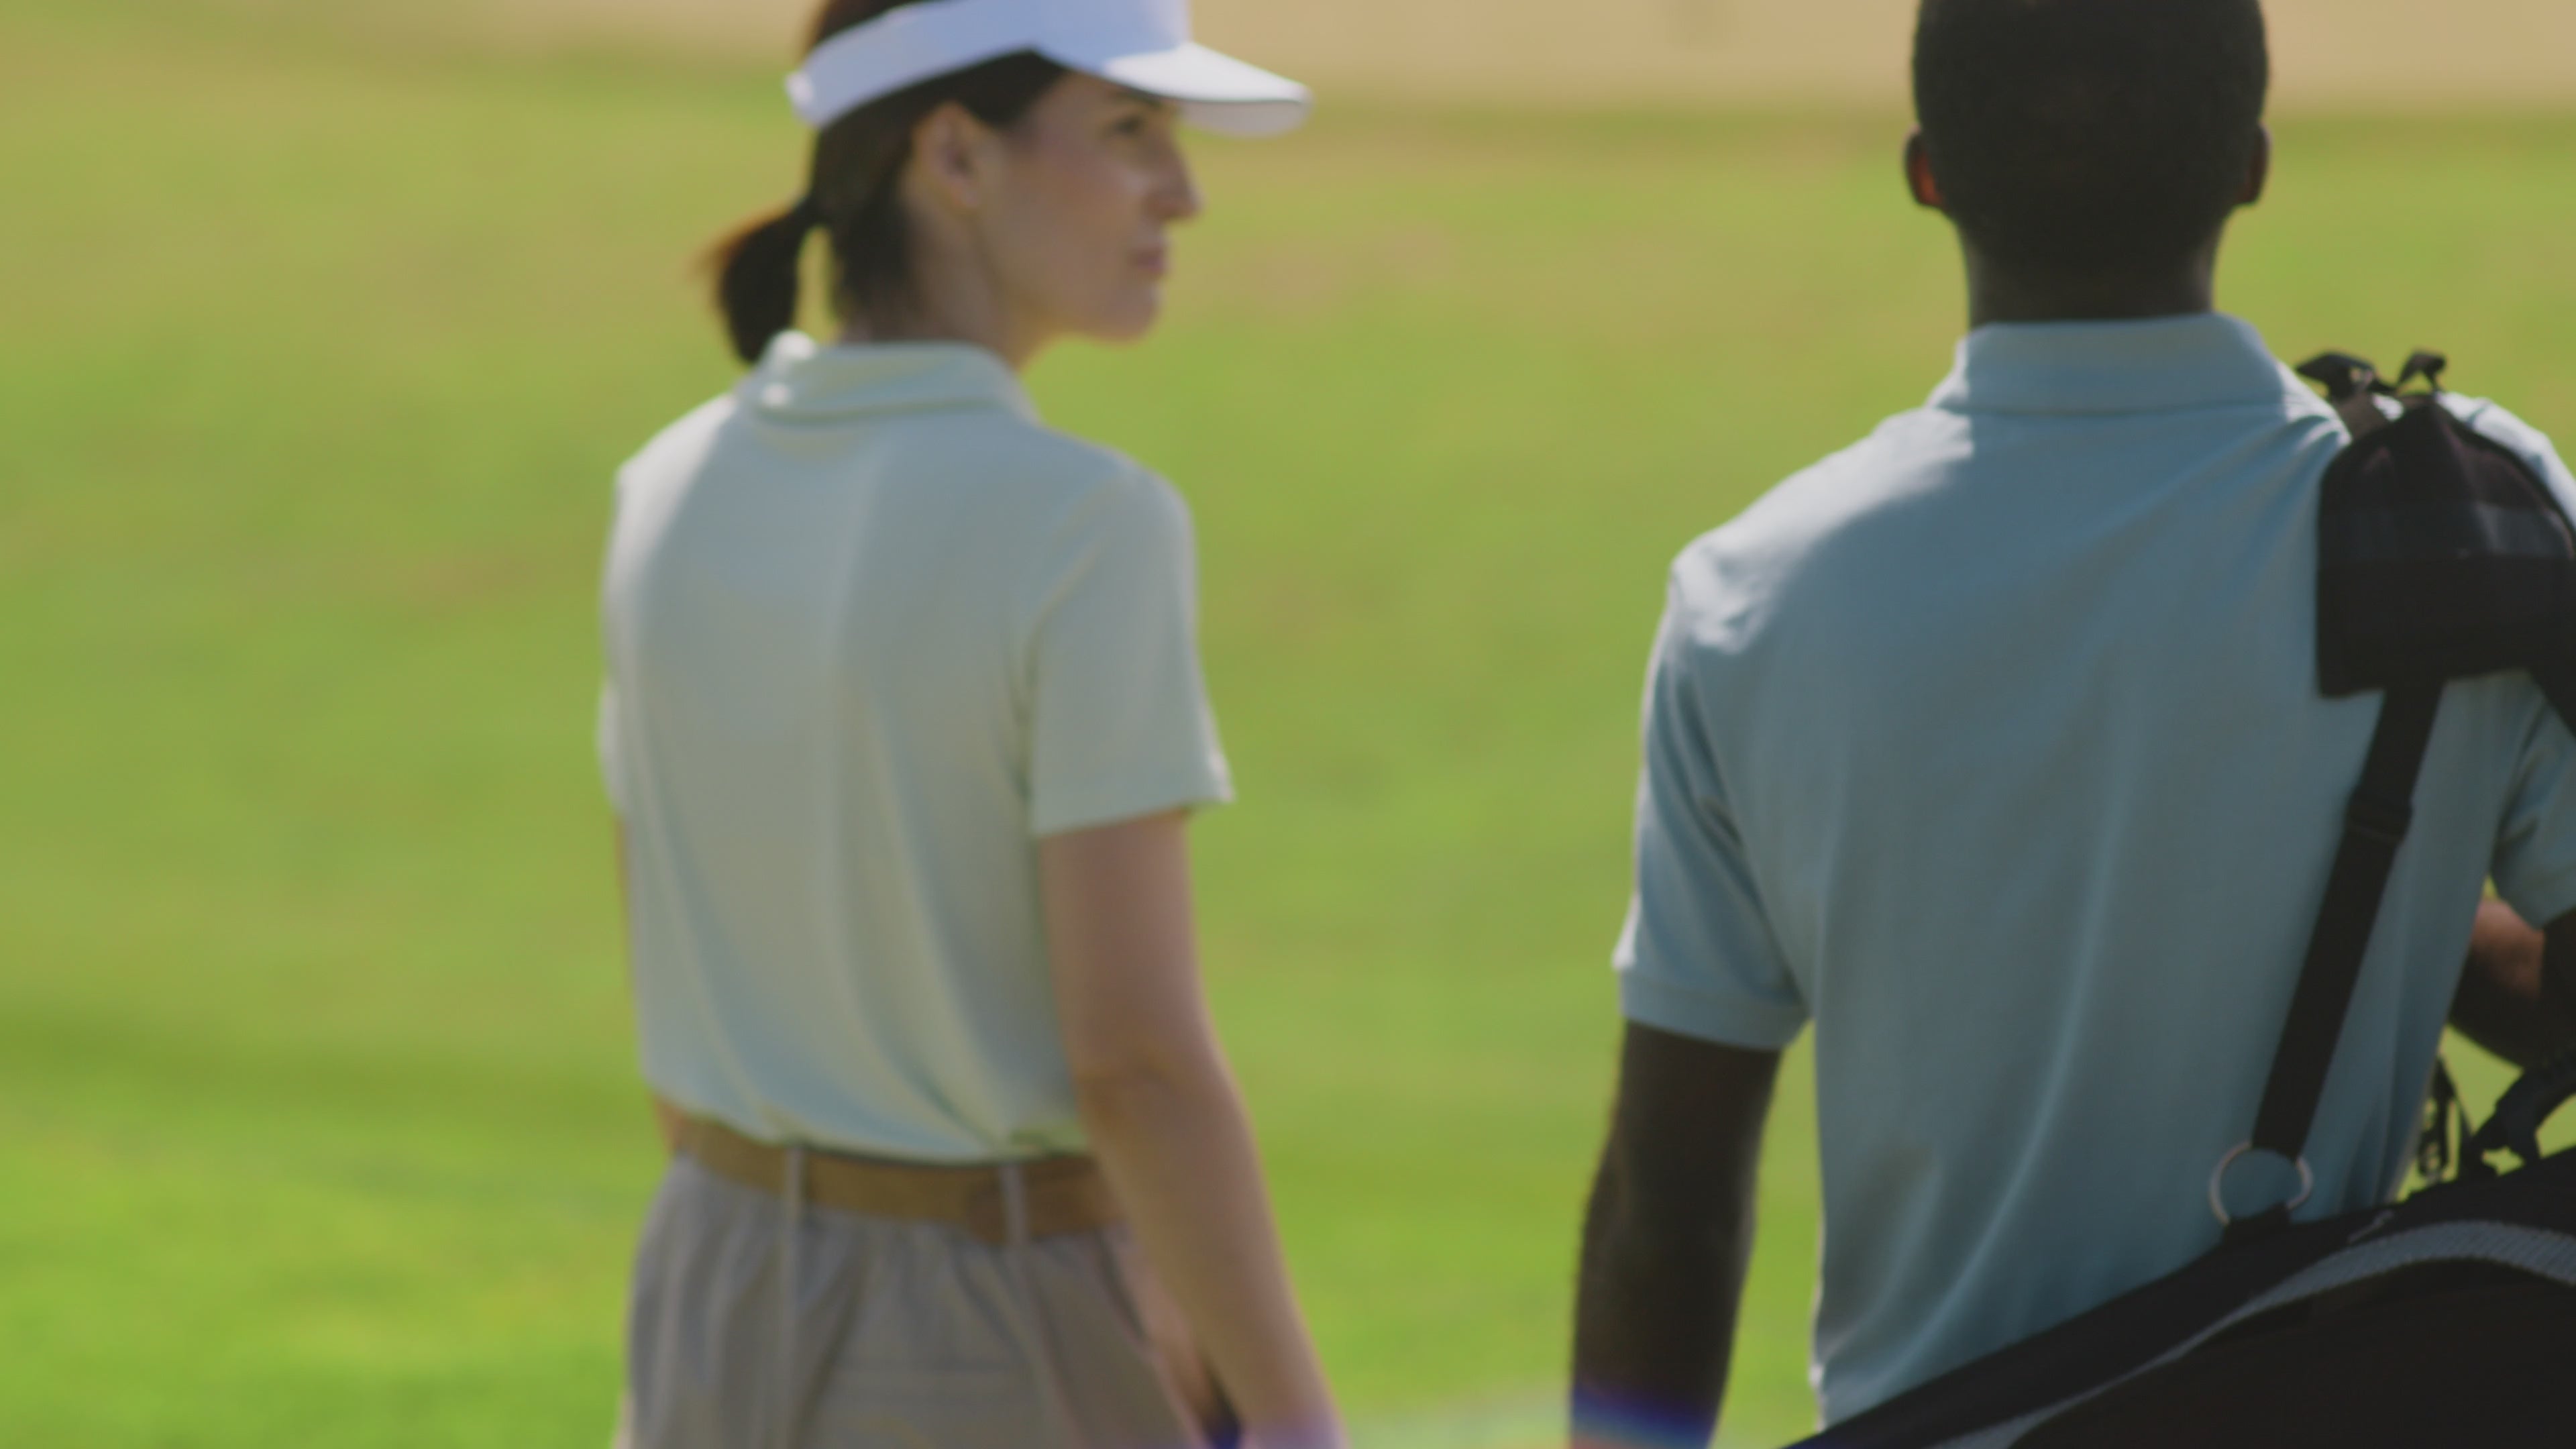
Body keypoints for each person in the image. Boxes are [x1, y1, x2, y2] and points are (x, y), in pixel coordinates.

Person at [1568, 1, 2576, 1443]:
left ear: (1928, 173)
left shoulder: (1752, 595)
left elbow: (1669, 1205)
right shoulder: (2454, 519)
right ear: (2250, 165)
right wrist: (2405, 913)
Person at [595, 2, 1340, 1446]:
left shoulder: (665, 486)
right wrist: (1298, 1422)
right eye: (1129, 131)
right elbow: (1133, 1064)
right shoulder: (1086, 526)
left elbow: (672, 1005)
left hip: (706, 1274)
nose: (1182, 193)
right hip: (995, 1316)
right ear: (954, 154)